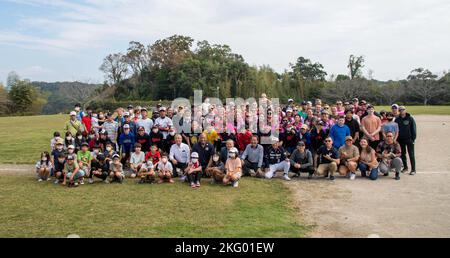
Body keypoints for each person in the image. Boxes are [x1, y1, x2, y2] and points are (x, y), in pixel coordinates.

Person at [395, 106, 417, 175]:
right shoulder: (397, 119)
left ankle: (413, 169)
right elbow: (396, 130)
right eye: (400, 110)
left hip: (409, 139)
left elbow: (413, 129)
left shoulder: (410, 118)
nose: (401, 111)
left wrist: (413, 139)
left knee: (411, 154)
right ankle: (405, 167)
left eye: (403, 109)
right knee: (403, 154)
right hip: (400, 140)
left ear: (405, 110)